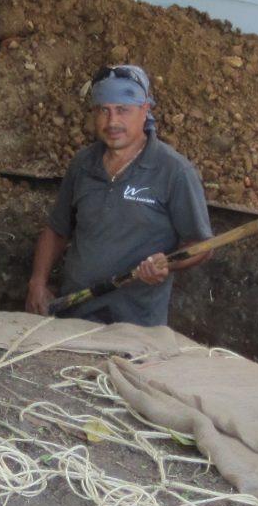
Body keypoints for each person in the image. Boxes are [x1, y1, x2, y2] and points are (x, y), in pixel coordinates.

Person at [25, 63, 212, 327]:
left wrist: (166, 264)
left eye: (123, 110)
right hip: (74, 318)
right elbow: (57, 230)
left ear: (145, 110)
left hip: (136, 326)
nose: (112, 122)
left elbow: (200, 245)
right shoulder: (83, 164)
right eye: (104, 110)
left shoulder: (173, 171)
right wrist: (38, 282)